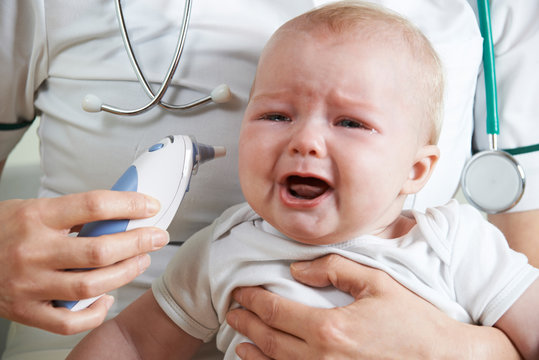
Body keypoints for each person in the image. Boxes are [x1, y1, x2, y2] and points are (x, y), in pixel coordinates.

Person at [0, 0, 537, 359]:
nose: (304, 140)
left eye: (350, 123)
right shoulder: (227, 247)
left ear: (418, 171)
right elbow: (133, 340)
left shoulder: (455, 243)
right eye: (276, 116)